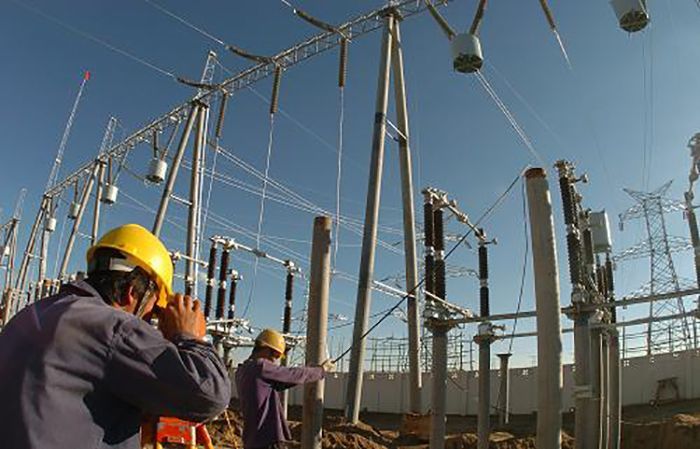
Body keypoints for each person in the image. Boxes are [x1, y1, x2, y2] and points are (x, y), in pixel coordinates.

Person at [0, 224, 231, 449]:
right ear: (131, 293)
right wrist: (189, 337)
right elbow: (211, 395)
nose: (150, 321)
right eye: (154, 309)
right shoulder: (114, 328)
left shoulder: (29, 315)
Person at [235, 328, 334, 449]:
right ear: (265, 349)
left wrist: (308, 373)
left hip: (252, 439)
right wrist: (321, 370)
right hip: (267, 438)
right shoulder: (261, 367)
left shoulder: (243, 369)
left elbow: (280, 382)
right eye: (275, 355)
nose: (275, 360)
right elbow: (292, 374)